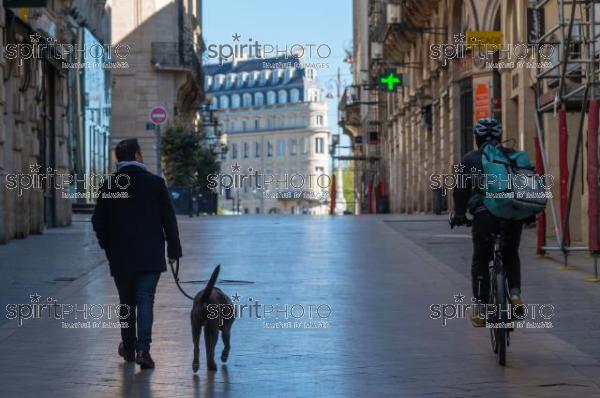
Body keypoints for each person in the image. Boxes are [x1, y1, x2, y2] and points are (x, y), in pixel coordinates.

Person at [92, 138, 182, 369]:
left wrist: (108, 246)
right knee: (145, 301)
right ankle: (143, 349)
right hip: (150, 255)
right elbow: (169, 220)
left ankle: (128, 347)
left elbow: (98, 221)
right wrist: (173, 250)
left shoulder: (110, 185)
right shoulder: (155, 183)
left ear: (119, 159)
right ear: (138, 155)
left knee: (126, 303)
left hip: (121, 256)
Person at [450, 118, 524, 327]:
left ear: (477, 138)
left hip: (484, 215)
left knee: (481, 258)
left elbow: (460, 191)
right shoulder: (513, 156)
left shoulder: (470, 159)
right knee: (510, 254)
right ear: (499, 138)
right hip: (511, 214)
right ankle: (516, 295)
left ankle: (481, 309)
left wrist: (459, 214)